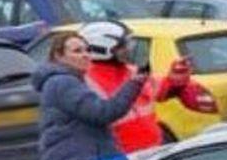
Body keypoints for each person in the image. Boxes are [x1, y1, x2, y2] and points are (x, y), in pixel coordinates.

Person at [35, 25, 147, 160]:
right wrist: (134, 83)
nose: (86, 55)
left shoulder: (69, 81)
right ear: (59, 57)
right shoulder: (63, 83)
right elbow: (103, 113)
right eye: (77, 51)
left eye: (87, 50)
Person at [77, 20, 191, 153]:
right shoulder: (84, 81)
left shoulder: (131, 71)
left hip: (153, 152)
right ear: (103, 49)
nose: (129, 49)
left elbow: (160, 91)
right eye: (123, 46)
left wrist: (176, 80)